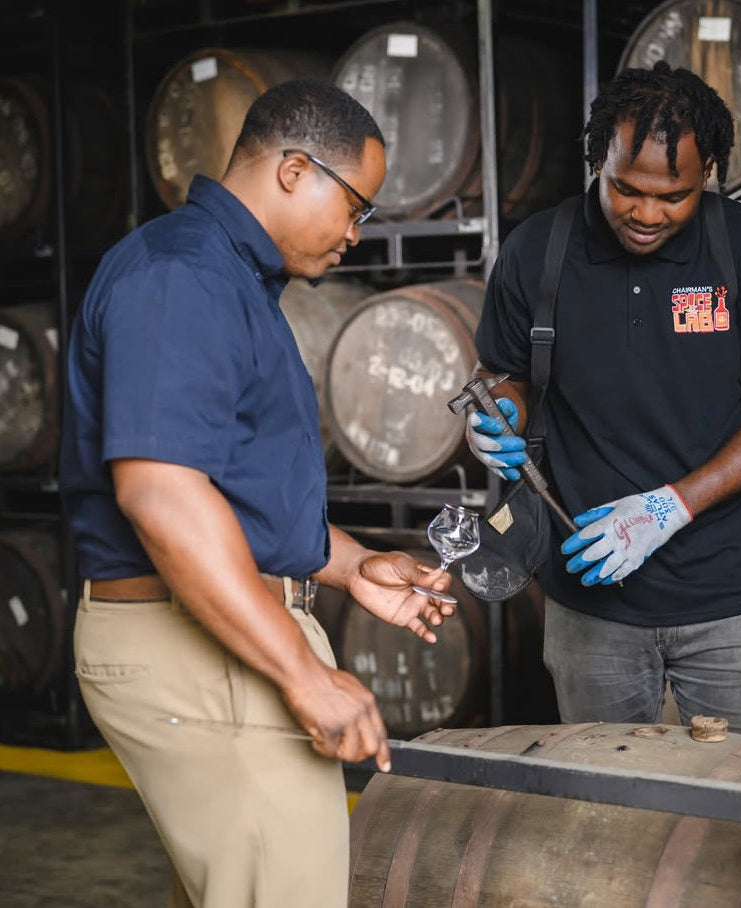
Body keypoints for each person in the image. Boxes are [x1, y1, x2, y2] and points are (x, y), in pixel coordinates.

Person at [59, 78, 454, 908]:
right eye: (354, 207)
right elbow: (162, 495)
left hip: (216, 636)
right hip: (195, 647)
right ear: (292, 169)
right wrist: (302, 674)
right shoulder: (182, 279)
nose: (354, 233)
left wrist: (350, 568)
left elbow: (234, 495)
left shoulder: (227, 280)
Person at [466, 61, 741, 744]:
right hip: (587, 599)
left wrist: (669, 506)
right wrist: (497, 414)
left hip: (736, 600)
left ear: (709, 171)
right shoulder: (536, 250)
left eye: (673, 196)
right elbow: (501, 372)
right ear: (597, 159)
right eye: (626, 189)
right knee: (607, 816)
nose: (646, 214)